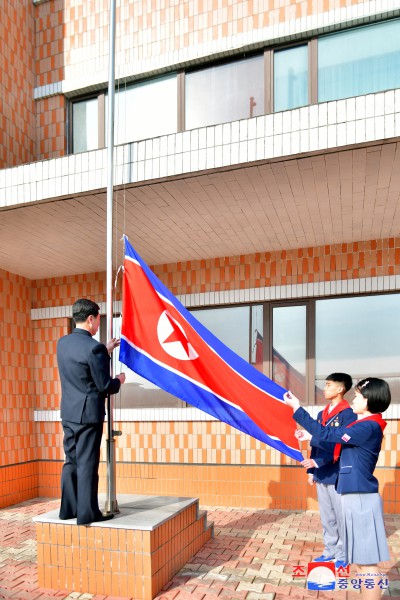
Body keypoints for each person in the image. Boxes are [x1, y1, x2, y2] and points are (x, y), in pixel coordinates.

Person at [284, 378, 391, 600]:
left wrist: (297, 409)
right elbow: (330, 437)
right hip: (354, 496)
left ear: (370, 400)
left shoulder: (368, 426)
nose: (354, 398)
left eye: (359, 396)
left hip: (360, 497)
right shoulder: (361, 426)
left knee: (367, 564)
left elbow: (329, 435)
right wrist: (311, 437)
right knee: (360, 563)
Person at [57, 298, 126, 525]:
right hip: (88, 416)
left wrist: (104, 351)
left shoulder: (63, 343)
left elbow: (81, 365)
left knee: (71, 461)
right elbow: (105, 385)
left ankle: (69, 509)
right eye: (97, 319)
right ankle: (87, 514)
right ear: (90, 319)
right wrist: (119, 380)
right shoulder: (93, 348)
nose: (98, 324)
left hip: (68, 413)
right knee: (87, 463)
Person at [298, 373, 354, 569]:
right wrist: (312, 471)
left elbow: (338, 445)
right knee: (327, 516)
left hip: (337, 473)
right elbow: (317, 442)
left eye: (329, 385)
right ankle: (329, 550)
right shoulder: (323, 414)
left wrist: (316, 461)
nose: (325, 388)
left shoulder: (349, 414)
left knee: (341, 516)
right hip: (321, 471)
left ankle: (343, 553)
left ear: (340, 389)